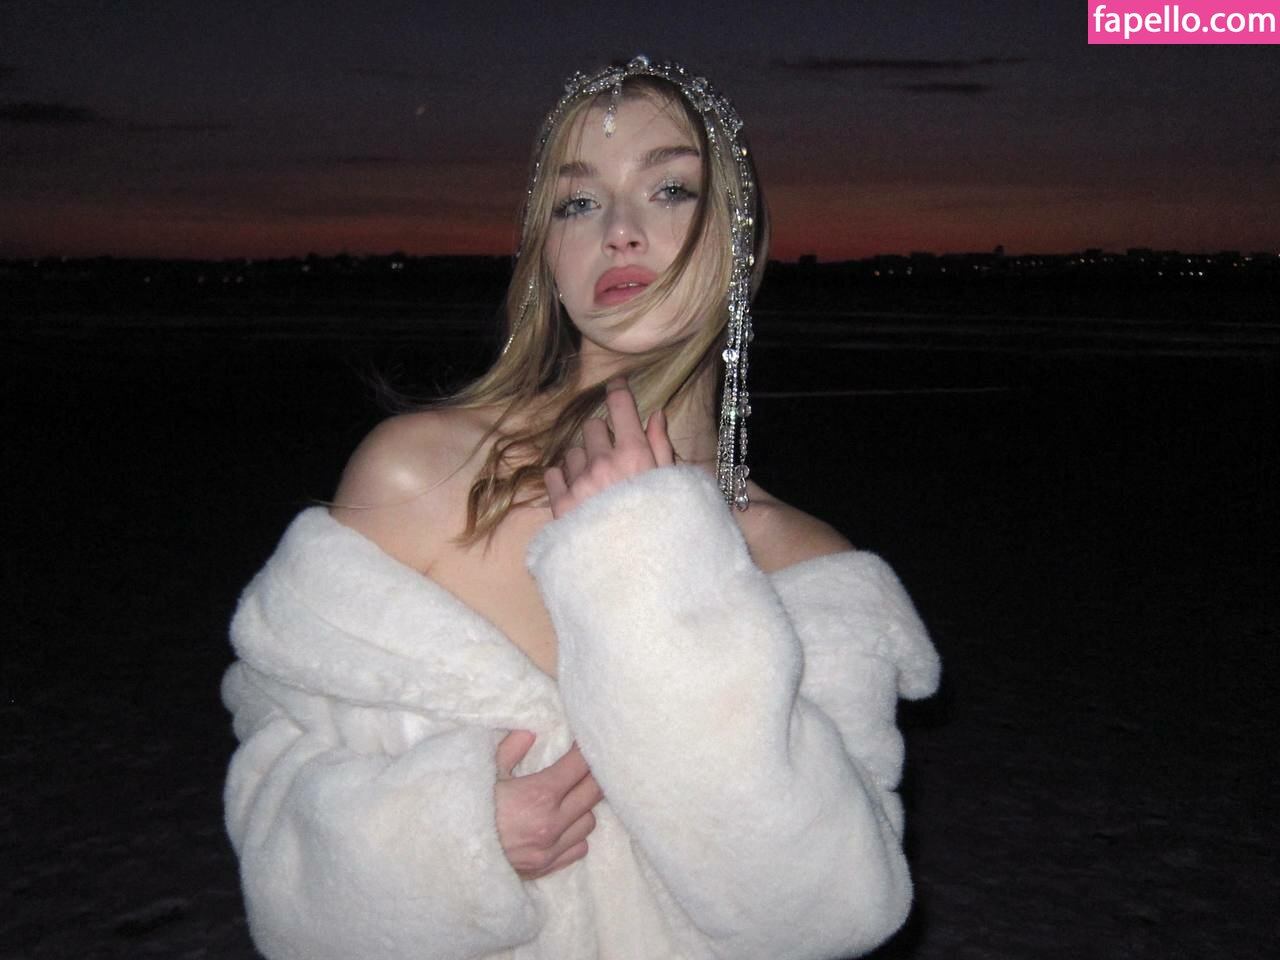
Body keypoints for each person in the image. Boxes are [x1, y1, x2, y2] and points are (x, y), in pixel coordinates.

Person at [221, 55, 940, 960]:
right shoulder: (420, 478)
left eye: (670, 189)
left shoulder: (807, 566)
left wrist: (647, 558)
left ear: (741, 240)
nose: (620, 232)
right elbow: (273, 790)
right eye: (577, 203)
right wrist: (443, 846)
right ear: (545, 257)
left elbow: (832, 911)